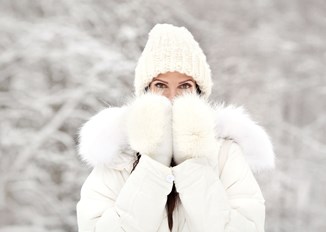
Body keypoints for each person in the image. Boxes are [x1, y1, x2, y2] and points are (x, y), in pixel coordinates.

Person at [76, 24, 275, 232]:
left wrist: (191, 162)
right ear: (146, 91)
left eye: (184, 86)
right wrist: (154, 161)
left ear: (199, 92)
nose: (172, 97)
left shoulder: (225, 153)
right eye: (161, 85)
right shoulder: (118, 155)